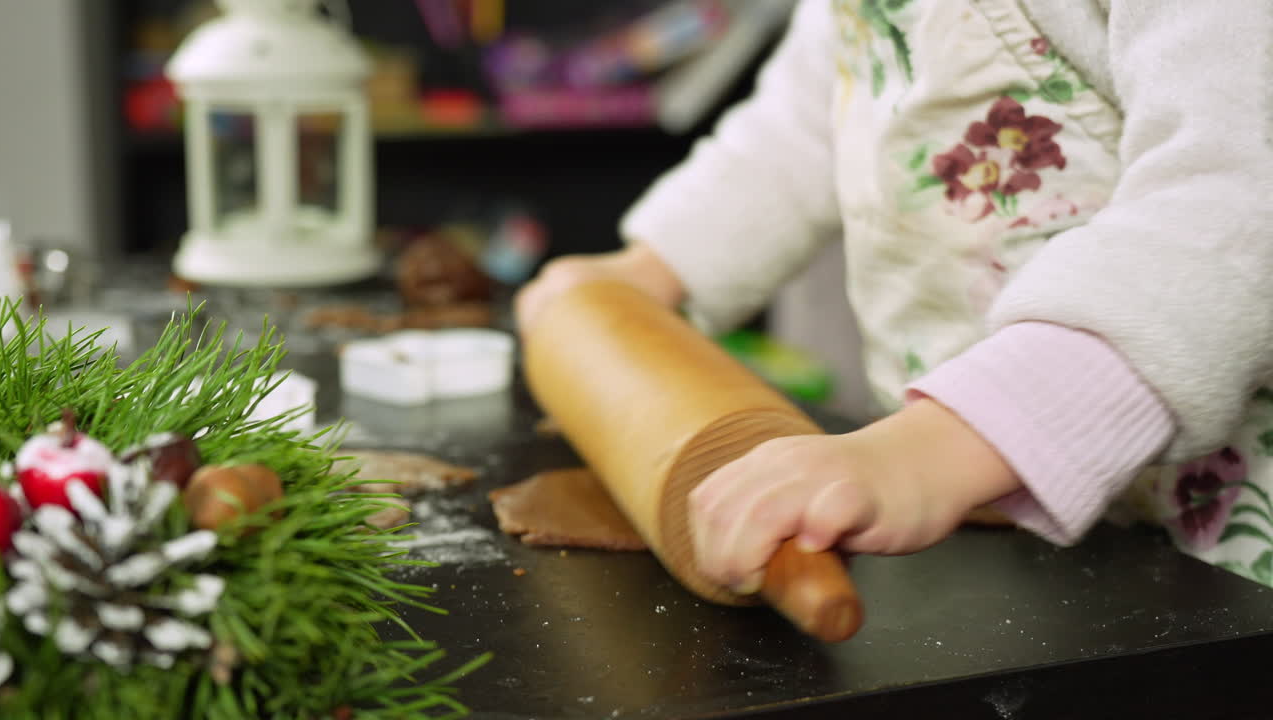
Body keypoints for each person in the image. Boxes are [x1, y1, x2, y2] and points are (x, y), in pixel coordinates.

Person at [515, 0, 1273, 595]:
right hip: (997, 520)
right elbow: (806, 121)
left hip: (1218, 553)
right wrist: (654, 269)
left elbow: (1236, 200)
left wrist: (934, 454)